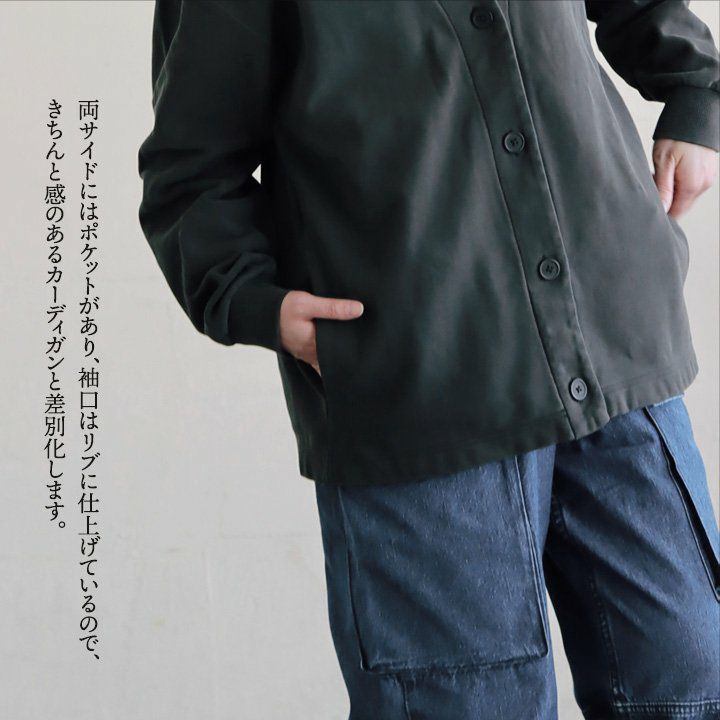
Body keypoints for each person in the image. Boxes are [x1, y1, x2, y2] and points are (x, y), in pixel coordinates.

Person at [137, 1, 720, 717]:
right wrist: (252, 300)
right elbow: (190, 170)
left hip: (613, 350)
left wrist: (696, 94)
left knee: (692, 683)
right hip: (421, 392)